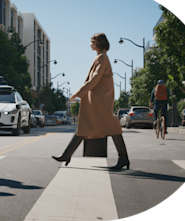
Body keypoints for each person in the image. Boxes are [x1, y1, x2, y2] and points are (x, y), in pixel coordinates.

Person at [52, 33, 129, 170]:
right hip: (97, 98)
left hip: (100, 100)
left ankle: (123, 158)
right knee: (85, 126)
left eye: (92, 42)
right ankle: (66, 155)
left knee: (112, 126)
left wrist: (77, 93)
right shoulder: (101, 57)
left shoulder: (102, 58)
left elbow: (94, 79)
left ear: (98, 43)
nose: (90, 44)